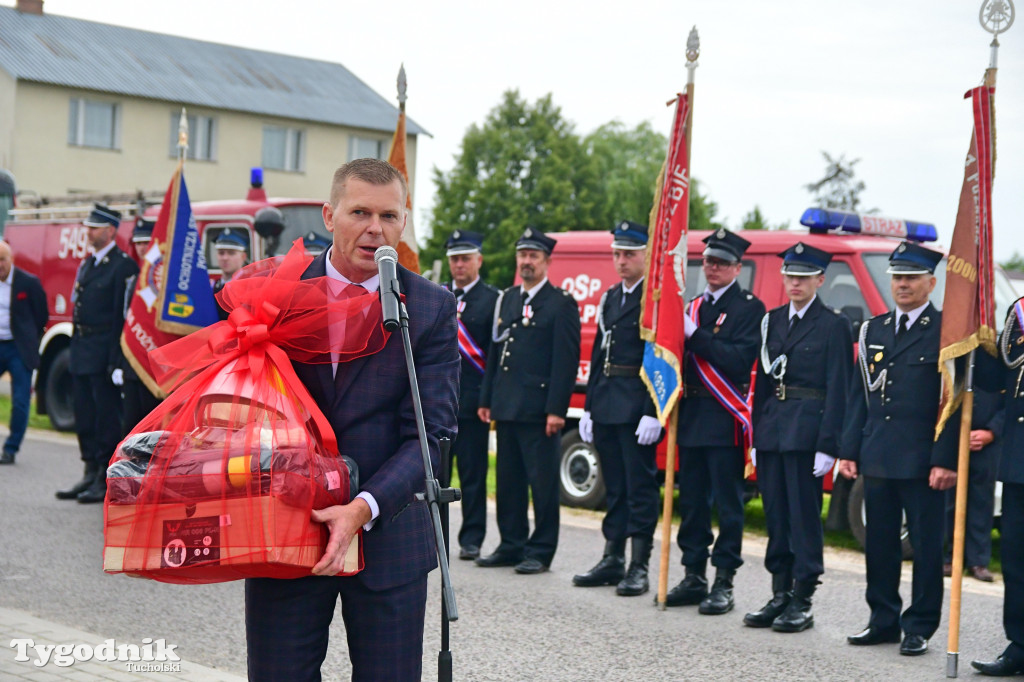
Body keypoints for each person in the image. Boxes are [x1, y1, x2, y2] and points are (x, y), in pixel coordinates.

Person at [245, 158, 459, 682]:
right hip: (287, 531)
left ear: (403, 223)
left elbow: (431, 436)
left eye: (388, 216)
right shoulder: (278, 292)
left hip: (389, 537)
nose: (374, 228)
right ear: (328, 214)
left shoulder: (429, 308)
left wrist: (362, 508)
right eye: (359, 211)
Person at [838, 241, 958, 657]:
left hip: (924, 459)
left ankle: (920, 625)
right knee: (880, 544)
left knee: (926, 547)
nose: (902, 285)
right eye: (897, 277)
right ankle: (883, 619)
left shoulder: (947, 332)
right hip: (878, 453)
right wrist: (849, 449)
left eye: (911, 277)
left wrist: (945, 458)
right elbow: (860, 397)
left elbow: (954, 401)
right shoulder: (874, 329)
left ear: (931, 282)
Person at [745, 242, 852, 632]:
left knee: (803, 517)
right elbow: (764, 385)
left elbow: (839, 388)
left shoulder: (834, 324)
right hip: (773, 429)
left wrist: (829, 444)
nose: (795, 283)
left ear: (819, 280)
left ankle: (803, 597)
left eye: (803, 277)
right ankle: (780, 593)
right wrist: (756, 437)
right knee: (775, 513)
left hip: (808, 433)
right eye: (790, 276)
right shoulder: (772, 321)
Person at [665, 228, 764, 615]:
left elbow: (738, 361)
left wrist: (697, 336)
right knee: (691, 503)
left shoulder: (749, 309)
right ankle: (693, 574)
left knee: (728, 504)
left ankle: (724, 579)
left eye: (722, 262)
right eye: (708, 261)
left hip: (723, 419)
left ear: (738, 268)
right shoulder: (691, 306)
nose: (713, 268)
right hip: (691, 417)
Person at [476, 227, 581, 575]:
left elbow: (565, 362)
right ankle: (511, 544)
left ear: (547, 261)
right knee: (508, 481)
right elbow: (496, 350)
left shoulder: (560, 303)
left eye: (533, 256)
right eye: (522, 255)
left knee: (543, 484)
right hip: (506, 406)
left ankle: (540, 550)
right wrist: (487, 396)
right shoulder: (508, 299)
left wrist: (556, 410)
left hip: (538, 411)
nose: (526, 262)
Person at [573, 220, 661, 596]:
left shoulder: (654, 300)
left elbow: (658, 358)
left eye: (629, 254)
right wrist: (590, 406)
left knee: (640, 487)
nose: (622, 261)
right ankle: (613, 557)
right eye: (617, 254)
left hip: (636, 403)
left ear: (646, 255)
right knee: (615, 485)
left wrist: (652, 411)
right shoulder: (611, 297)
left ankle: (639, 564)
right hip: (607, 400)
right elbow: (598, 353)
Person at [56, 204, 138, 504]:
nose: (88, 232)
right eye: (88, 227)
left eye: (94, 227)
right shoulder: (89, 264)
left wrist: (116, 359)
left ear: (111, 230)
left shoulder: (123, 266)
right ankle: (89, 470)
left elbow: (121, 316)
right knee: (85, 413)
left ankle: (105, 475)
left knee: (106, 416)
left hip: (104, 350)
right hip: (82, 348)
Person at [969, 300, 1024, 676]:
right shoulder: (1019, 313)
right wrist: (976, 338)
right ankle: (1019, 644)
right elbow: (995, 379)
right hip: (1020, 460)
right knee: (1017, 558)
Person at [444, 229, 499, 561]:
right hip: (439, 404)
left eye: (465, 258)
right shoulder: (438, 294)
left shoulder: (493, 300)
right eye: (454, 259)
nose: (459, 265)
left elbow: (493, 356)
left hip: (473, 402)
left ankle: (472, 538)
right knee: (435, 475)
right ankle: (433, 535)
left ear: (479, 260)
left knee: (473, 475)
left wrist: (488, 399)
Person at [943, 387, 1002, 583]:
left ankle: (978, 561)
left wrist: (992, 432)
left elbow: (1011, 402)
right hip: (951, 438)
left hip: (988, 442)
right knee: (948, 499)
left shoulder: (1002, 359)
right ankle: (949, 557)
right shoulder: (955, 358)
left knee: (981, 502)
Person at [0, 240, 47, 465]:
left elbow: (41, 316)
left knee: (20, 401)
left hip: (18, 348)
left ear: (11, 260)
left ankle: (11, 448)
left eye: (2, 260)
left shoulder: (28, 283)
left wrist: (29, 339)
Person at [117, 218, 161, 437]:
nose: (143, 247)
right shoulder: (133, 279)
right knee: (130, 427)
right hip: (133, 363)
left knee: (153, 429)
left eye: (147, 242)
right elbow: (124, 321)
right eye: (139, 243)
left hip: (156, 366)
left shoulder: (163, 281)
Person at [212, 229, 249, 321]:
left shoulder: (250, 286)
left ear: (243, 257)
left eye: (231, 253)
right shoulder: (213, 285)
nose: (225, 258)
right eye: (221, 253)